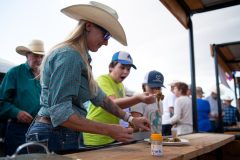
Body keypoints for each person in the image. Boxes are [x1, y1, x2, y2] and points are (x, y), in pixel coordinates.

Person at [25, 1, 150, 153]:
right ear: (89, 26)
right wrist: (109, 130)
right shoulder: (69, 55)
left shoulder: (81, 58)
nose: (106, 42)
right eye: (106, 35)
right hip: (52, 134)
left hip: (60, 134)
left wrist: (131, 119)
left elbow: (101, 98)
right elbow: (62, 115)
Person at [83, 51, 156, 146]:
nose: (125, 72)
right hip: (96, 136)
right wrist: (139, 98)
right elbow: (112, 103)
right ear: (111, 67)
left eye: (128, 69)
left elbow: (130, 96)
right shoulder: (103, 80)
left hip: (111, 135)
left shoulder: (121, 86)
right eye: (122, 67)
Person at [0, 39, 45, 155]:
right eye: (36, 55)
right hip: (18, 130)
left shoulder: (45, 76)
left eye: (41, 56)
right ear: (27, 55)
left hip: (41, 130)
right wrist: (17, 113)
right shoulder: (14, 73)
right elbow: (1, 101)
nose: (39, 60)